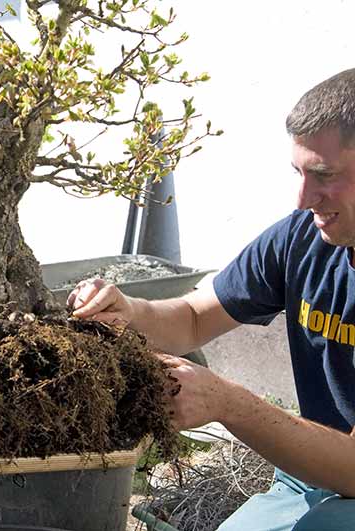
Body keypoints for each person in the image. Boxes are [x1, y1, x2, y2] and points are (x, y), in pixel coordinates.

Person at [69, 68, 355, 530]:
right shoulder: (303, 239)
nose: (303, 199)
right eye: (298, 173)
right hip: (311, 477)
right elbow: (193, 319)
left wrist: (230, 404)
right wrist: (129, 312)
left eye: (323, 175)